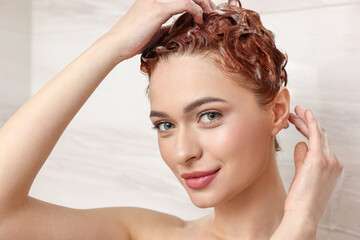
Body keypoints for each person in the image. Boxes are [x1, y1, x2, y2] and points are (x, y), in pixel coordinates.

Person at [0, 0, 343, 239]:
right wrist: (113, 44)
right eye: (165, 125)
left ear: (277, 112)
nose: (182, 152)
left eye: (209, 115)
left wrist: (300, 221)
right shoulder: (141, 234)